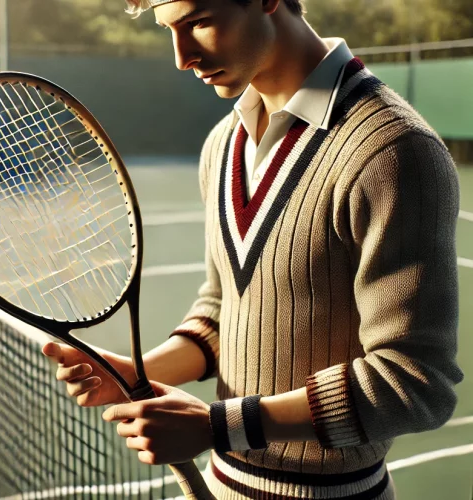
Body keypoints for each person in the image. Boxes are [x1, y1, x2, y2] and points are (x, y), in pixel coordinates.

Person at [43, 0, 464, 498]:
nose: (181, 57)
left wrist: (218, 427)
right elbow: (227, 309)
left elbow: (416, 383)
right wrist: (140, 372)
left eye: (198, 22)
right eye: (168, 30)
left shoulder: (393, 151)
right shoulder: (222, 144)